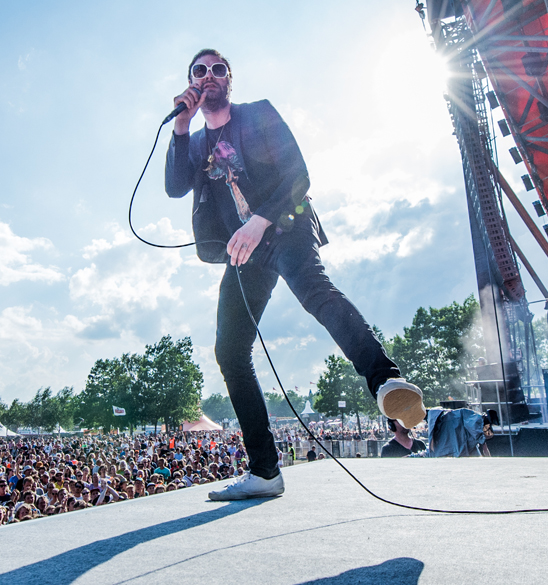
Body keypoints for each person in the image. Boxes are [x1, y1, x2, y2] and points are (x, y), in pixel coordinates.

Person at [165, 49, 425, 501]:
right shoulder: (194, 141)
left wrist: (260, 219)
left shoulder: (257, 115)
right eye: (199, 70)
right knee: (230, 350)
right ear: (190, 82)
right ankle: (264, 471)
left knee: (315, 293)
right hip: (243, 252)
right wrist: (181, 125)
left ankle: (385, 380)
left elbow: (299, 175)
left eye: (218, 69)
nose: (209, 75)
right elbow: (174, 186)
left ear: (230, 79)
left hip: (284, 226)